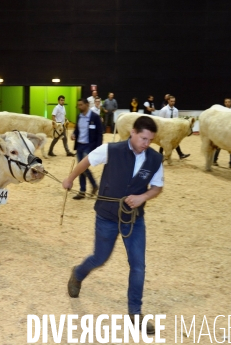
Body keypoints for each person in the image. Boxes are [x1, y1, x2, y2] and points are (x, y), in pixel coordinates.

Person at [63, 116, 164, 335]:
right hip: (107, 216)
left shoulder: (155, 159)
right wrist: (70, 178)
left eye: (150, 140)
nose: (147, 143)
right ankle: (78, 274)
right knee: (100, 258)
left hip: (134, 218)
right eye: (144, 138)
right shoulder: (111, 149)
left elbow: (157, 187)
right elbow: (86, 161)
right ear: (133, 133)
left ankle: (135, 314)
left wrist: (143, 197)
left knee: (138, 265)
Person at [71, 98, 103, 199]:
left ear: (87, 105)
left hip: (89, 146)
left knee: (82, 167)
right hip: (80, 145)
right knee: (81, 168)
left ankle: (90, 186)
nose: (79, 107)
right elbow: (77, 129)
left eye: (81, 105)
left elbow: (99, 134)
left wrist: (97, 148)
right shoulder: (79, 116)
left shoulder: (95, 117)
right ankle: (83, 190)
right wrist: (73, 134)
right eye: (78, 105)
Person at [158, 95, 190, 160]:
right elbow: (160, 120)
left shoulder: (176, 110)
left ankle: (180, 154)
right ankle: (161, 155)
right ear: (168, 101)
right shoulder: (163, 110)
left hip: (173, 130)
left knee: (174, 142)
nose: (173, 102)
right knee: (164, 142)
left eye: (174, 101)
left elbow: (176, 120)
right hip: (165, 129)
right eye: (171, 101)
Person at [213, 98, 231, 169]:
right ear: (224, 103)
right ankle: (214, 160)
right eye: (226, 102)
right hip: (222, 131)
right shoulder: (221, 111)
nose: (227, 103)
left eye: (229, 102)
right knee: (219, 145)